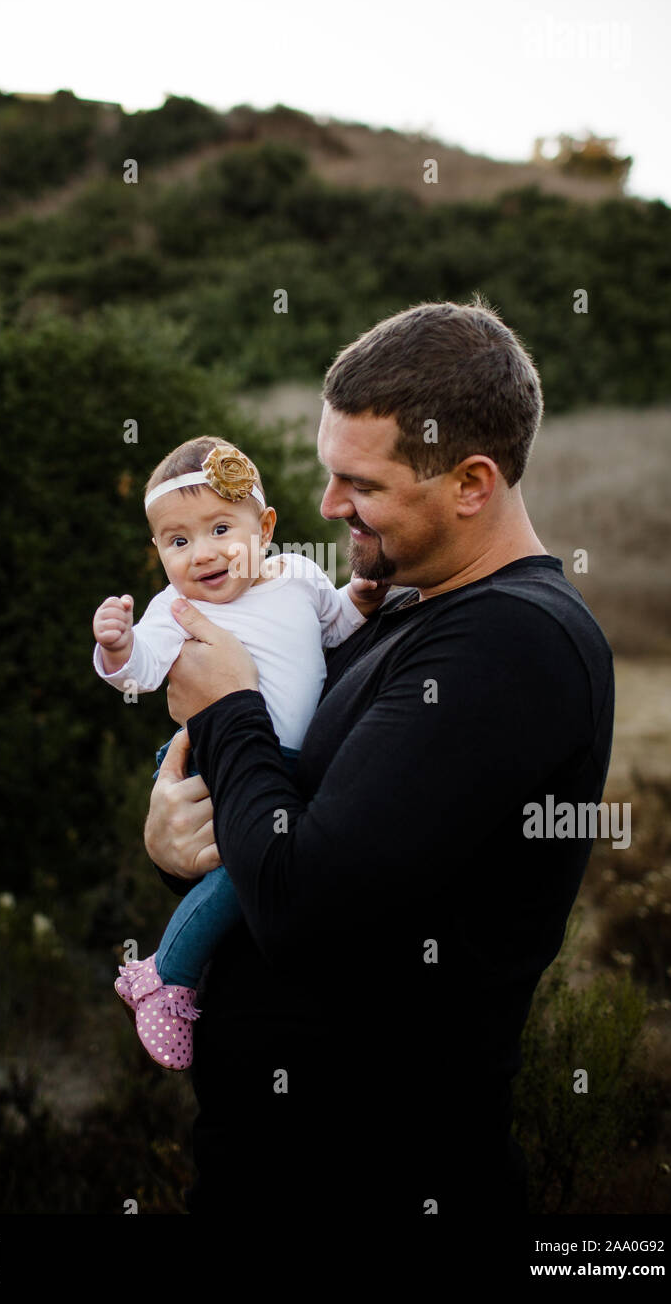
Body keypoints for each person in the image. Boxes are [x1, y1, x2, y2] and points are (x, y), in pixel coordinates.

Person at [143, 298, 615, 1219]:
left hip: (378, 1182)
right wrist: (180, 844)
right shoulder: (404, 609)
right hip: (269, 1175)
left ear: (472, 482)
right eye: (328, 473)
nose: (327, 507)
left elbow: (305, 904)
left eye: (360, 483)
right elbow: (282, 836)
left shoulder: (508, 645)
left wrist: (229, 706)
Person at [92, 436, 388, 1068]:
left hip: (279, 763)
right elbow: (141, 671)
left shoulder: (301, 578)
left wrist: (361, 601)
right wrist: (117, 649)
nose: (201, 554)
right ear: (159, 554)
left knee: (259, 875)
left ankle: (210, 985)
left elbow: (336, 626)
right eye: (177, 542)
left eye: (220, 528)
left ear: (267, 526)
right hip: (221, 762)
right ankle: (165, 976)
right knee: (240, 876)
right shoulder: (175, 610)